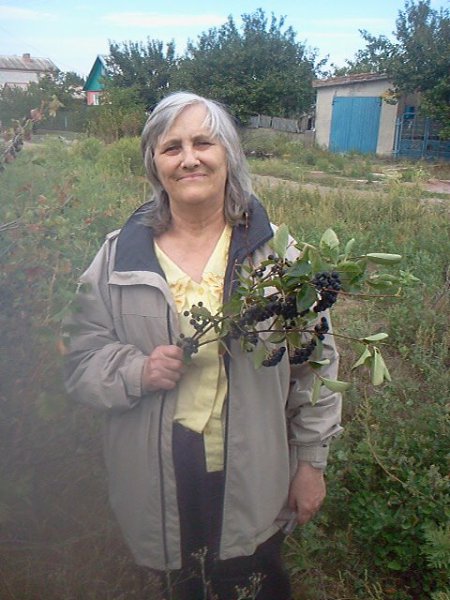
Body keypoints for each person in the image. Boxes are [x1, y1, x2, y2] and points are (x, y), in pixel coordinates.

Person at [63, 91, 342, 600]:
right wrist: (136, 371)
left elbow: (315, 365)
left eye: (203, 143)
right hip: (156, 482)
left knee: (255, 585)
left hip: (252, 477)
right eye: (172, 147)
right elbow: (78, 356)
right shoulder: (118, 256)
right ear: (154, 163)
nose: (189, 158)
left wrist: (310, 463)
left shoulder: (277, 257)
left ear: (228, 155)